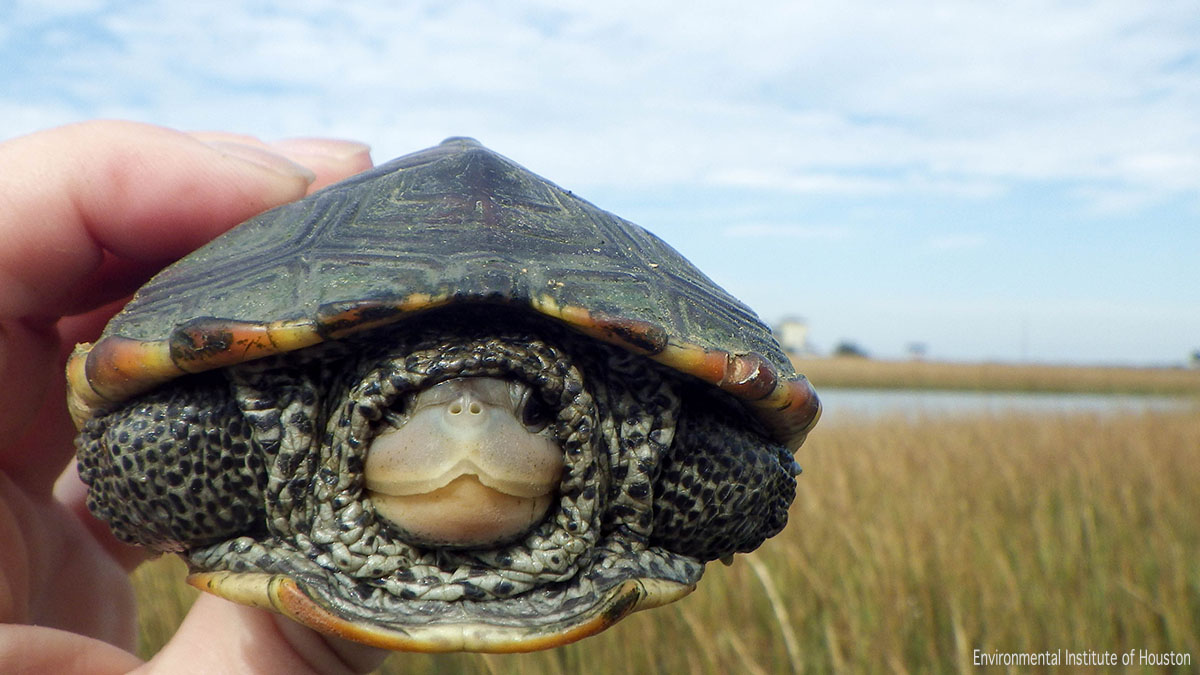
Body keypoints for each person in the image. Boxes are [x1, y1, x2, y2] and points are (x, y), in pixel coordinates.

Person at [0, 120, 389, 674]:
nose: (467, 419)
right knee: (150, 439)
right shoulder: (254, 431)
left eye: (531, 412)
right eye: (401, 410)